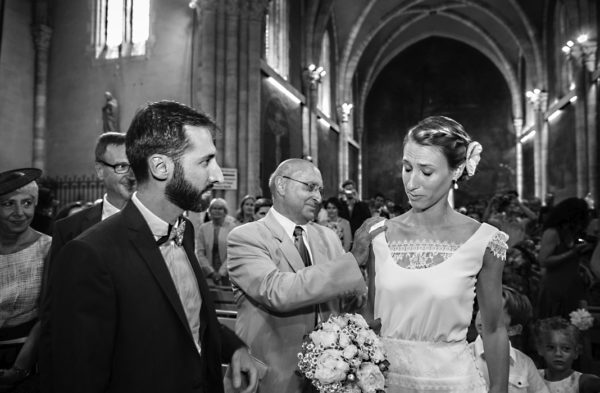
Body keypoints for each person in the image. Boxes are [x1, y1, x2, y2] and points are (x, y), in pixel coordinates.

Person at [42, 101, 259, 393]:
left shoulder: (187, 231)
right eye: (206, 161)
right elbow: (79, 376)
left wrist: (233, 348)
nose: (218, 175)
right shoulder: (91, 254)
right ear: (160, 166)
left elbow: (189, 319)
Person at [363, 116, 509, 392]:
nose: (412, 182)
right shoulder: (378, 236)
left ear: (456, 171)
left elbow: (493, 329)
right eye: (407, 168)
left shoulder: (485, 241)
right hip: (387, 381)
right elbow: (369, 319)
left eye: (426, 172)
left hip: (452, 382)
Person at [227, 158, 376, 393]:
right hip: (273, 375)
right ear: (281, 185)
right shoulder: (246, 237)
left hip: (328, 377)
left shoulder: (328, 236)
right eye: (309, 187)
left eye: (320, 189)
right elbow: (278, 292)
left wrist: (359, 292)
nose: (318, 197)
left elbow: (345, 300)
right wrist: (352, 261)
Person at [0, 168, 50, 392]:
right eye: (9, 204)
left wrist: (19, 369)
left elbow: (48, 314)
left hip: (29, 359)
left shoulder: (48, 248)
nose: (19, 212)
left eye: (27, 203)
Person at [470, 286, 549, 393]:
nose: (483, 315)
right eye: (482, 307)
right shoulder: (463, 355)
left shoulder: (524, 364)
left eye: (494, 312)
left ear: (513, 329)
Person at [537, 198, 594, 319]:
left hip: (572, 287)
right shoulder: (552, 233)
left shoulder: (573, 233)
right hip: (555, 287)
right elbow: (543, 261)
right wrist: (572, 252)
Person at [535, 317, 600, 393]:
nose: (558, 354)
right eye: (551, 348)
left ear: (576, 352)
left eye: (566, 349)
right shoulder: (532, 376)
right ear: (540, 349)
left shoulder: (584, 382)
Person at [196, 198, 237, 286]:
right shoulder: (203, 228)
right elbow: (200, 252)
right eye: (214, 208)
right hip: (207, 273)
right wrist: (211, 272)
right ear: (210, 211)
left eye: (220, 208)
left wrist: (221, 272)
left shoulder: (232, 228)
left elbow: (233, 253)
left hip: (228, 273)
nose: (217, 211)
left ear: (225, 211)